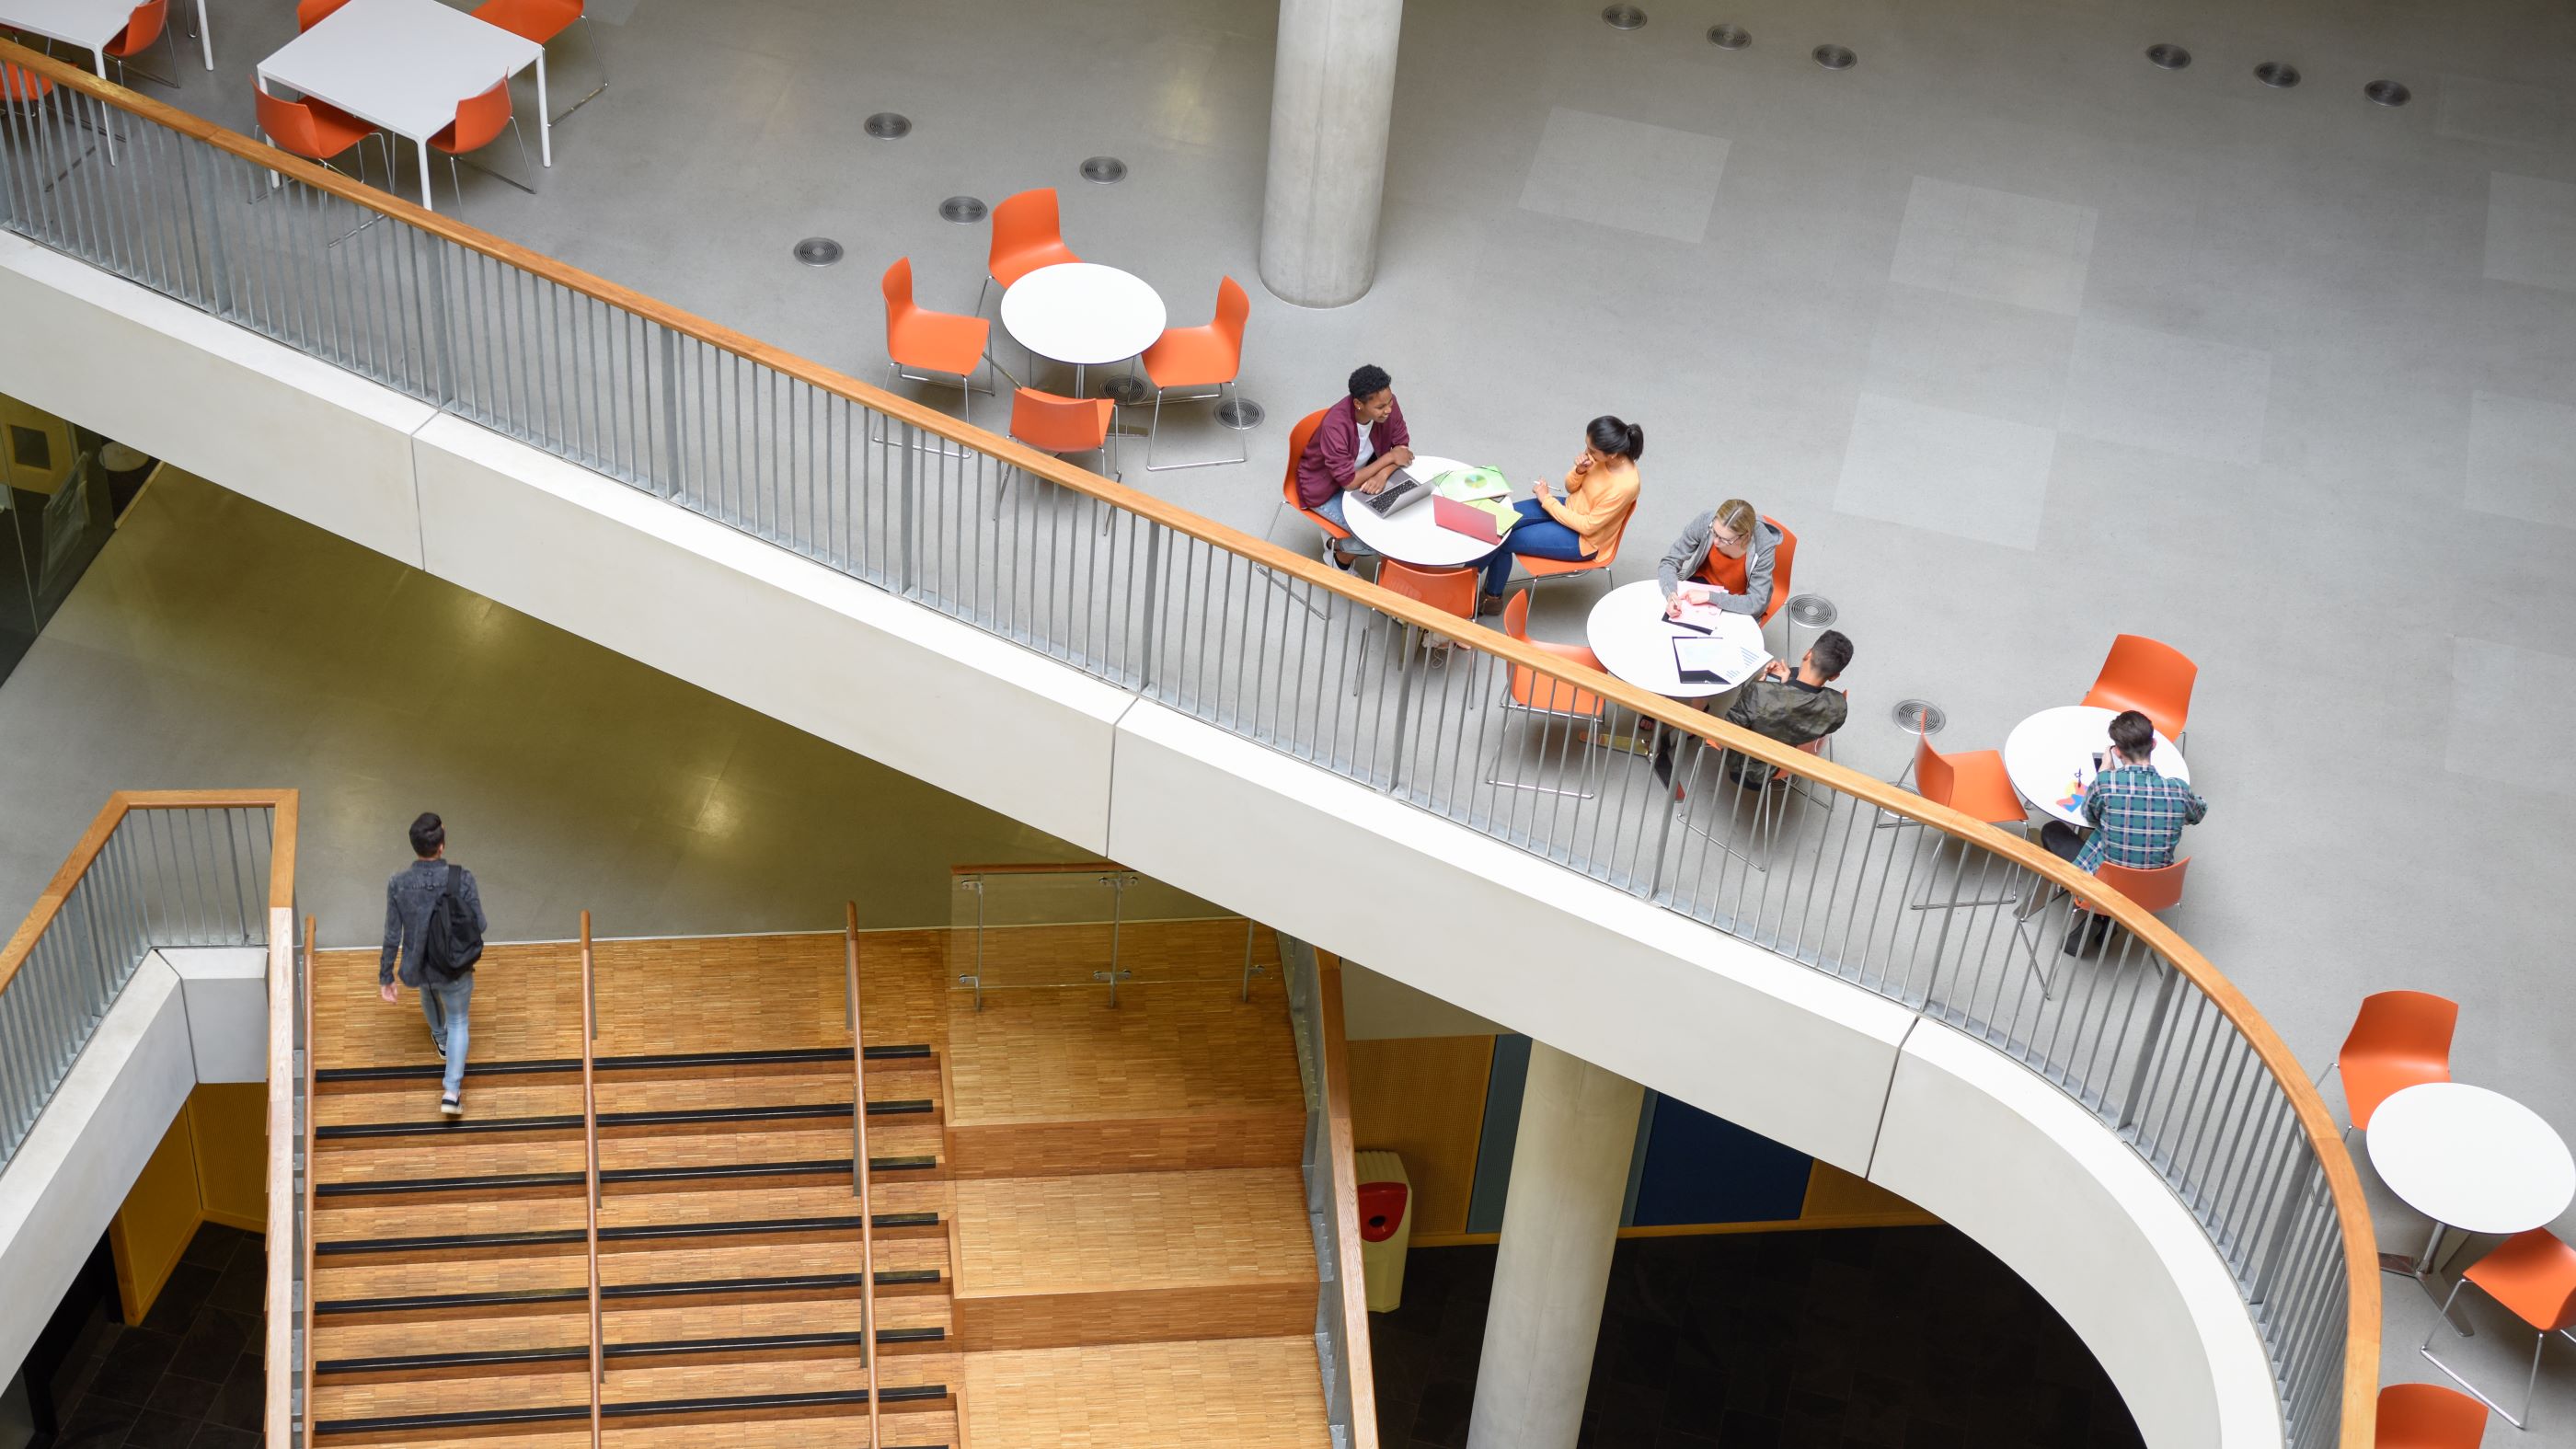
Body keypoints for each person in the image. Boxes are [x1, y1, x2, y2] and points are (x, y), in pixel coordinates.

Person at [2039, 709, 2206, 954]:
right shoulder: (2178, 789)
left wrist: (2105, 772)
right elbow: (2198, 813)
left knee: (2052, 830)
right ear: (2154, 744)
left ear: (2116, 751)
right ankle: (2106, 919)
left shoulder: (2107, 783)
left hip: (2103, 886)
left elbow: (2090, 815)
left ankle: (2100, 915)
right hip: (2154, 890)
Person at [379, 811, 486, 1116]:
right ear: (441, 846)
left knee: (428, 995)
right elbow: (481, 922)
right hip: (454, 966)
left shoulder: (397, 883)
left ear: (415, 847)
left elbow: (391, 933)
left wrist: (385, 975)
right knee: (459, 1021)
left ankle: (440, 1039)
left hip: (419, 967)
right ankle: (451, 1092)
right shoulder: (461, 877)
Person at [1474, 415, 1643, 604]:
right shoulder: (1602, 456)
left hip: (1583, 540)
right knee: (1499, 520)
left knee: (1504, 540)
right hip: (1568, 508)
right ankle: (1460, 580)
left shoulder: (1625, 486)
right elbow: (1572, 488)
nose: (1587, 452)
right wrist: (1579, 471)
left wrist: (1546, 499)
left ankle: (1486, 597)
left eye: (1592, 450)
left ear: (1611, 454)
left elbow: (1588, 526)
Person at [1295, 363, 1413, 569]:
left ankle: (1336, 542)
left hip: (1363, 477)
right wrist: (1388, 459)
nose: (1388, 410)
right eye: (1380, 407)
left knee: (1401, 517)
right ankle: (1337, 554)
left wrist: (1382, 474)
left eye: (1389, 402)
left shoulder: (1388, 405)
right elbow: (1349, 482)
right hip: (1324, 490)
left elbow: (1402, 448)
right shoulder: (1336, 426)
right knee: (1377, 541)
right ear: (1359, 404)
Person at [1718, 630, 1853, 788]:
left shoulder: (1759, 692)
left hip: (1742, 766)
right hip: (1787, 763)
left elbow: (1726, 732)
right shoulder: (1836, 708)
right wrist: (1785, 684)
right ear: (1834, 676)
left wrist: (1765, 684)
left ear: (1808, 654)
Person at [1659, 498, 1784, 621]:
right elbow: (1670, 562)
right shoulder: (1706, 521)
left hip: (1737, 600)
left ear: (1745, 537)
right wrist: (1671, 594)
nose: (1715, 541)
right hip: (1700, 586)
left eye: (1725, 539)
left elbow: (1756, 603)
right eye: (1714, 532)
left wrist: (1710, 597)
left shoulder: (1763, 545)